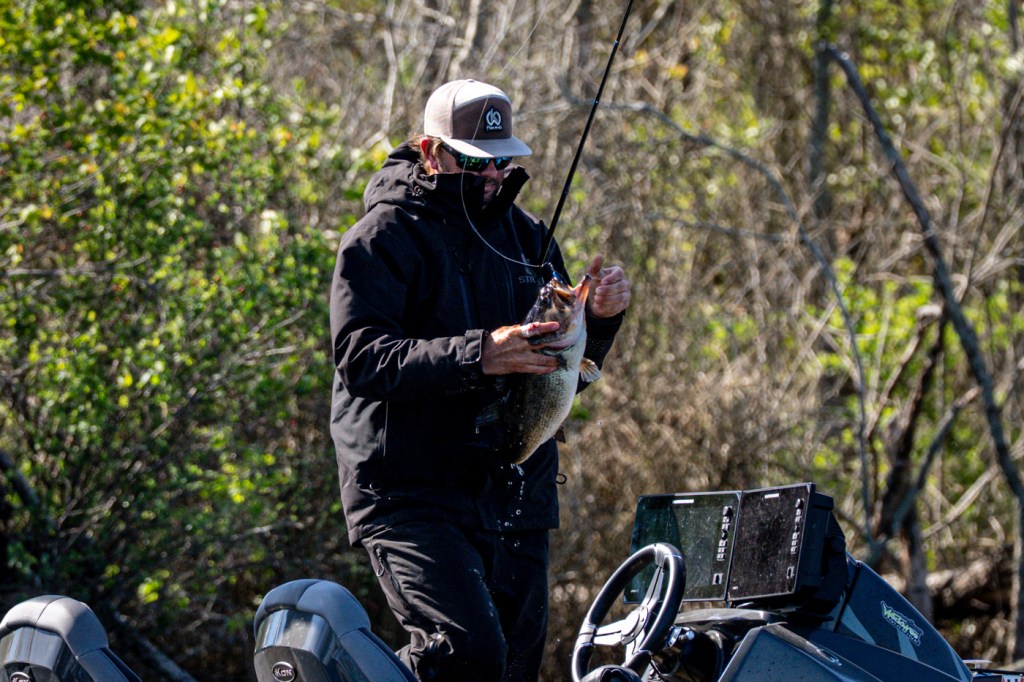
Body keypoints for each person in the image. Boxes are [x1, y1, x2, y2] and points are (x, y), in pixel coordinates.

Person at [329, 78, 631, 681]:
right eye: (473, 161)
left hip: (516, 493)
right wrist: (480, 354)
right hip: (409, 493)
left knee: (515, 668)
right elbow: (361, 359)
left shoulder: (529, 238)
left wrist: (598, 322)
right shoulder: (381, 238)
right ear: (430, 151)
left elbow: (560, 378)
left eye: (501, 160)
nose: (491, 174)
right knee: (466, 655)